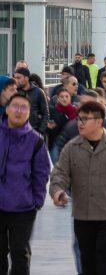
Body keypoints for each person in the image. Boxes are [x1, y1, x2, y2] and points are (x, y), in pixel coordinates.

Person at [49, 101, 106, 275]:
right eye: (79, 119)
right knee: (87, 261)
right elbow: (60, 173)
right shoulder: (72, 147)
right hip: (83, 215)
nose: (80, 123)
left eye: (85, 119)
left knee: (105, 259)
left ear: (99, 121)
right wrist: (57, 190)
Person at [0, 92, 51, 275]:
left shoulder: (35, 140)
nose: (19, 111)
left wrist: (37, 201)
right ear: (7, 109)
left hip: (23, 207)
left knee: (20, 252)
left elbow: (41, 174)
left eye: (24, 108)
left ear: (29, 113)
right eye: (15, 106)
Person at [13, 68, 49, 137]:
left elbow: (46, 114)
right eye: (15, 78)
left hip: (34, 130)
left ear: (26, 78)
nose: (16, 80)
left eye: (18, 78)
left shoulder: (38, 92)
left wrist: (40, 132)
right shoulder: (14, 91)